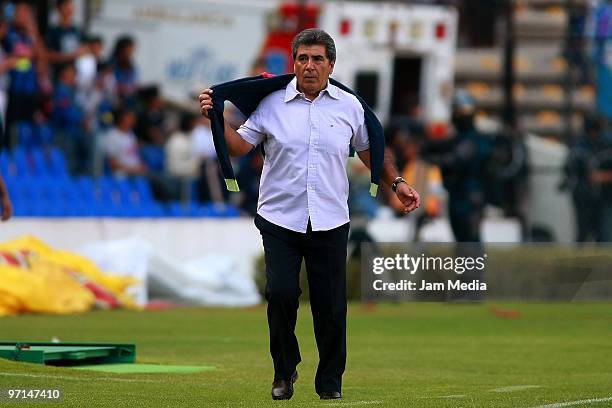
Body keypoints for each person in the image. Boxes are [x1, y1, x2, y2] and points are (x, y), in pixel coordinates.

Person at [199, 28, 420, 400]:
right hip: (279, 219)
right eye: (302, 58)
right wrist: (216, 116)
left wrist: (396, 183)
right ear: (294, 63)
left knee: (330, 307)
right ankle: (284, 372)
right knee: (282, 294)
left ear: (331, 65)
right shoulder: (271, 104)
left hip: (331, 219)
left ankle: (330, 383)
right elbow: (238, 146)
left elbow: (371, 152)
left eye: (318, 59)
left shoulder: (350, 107)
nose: (309, 66)